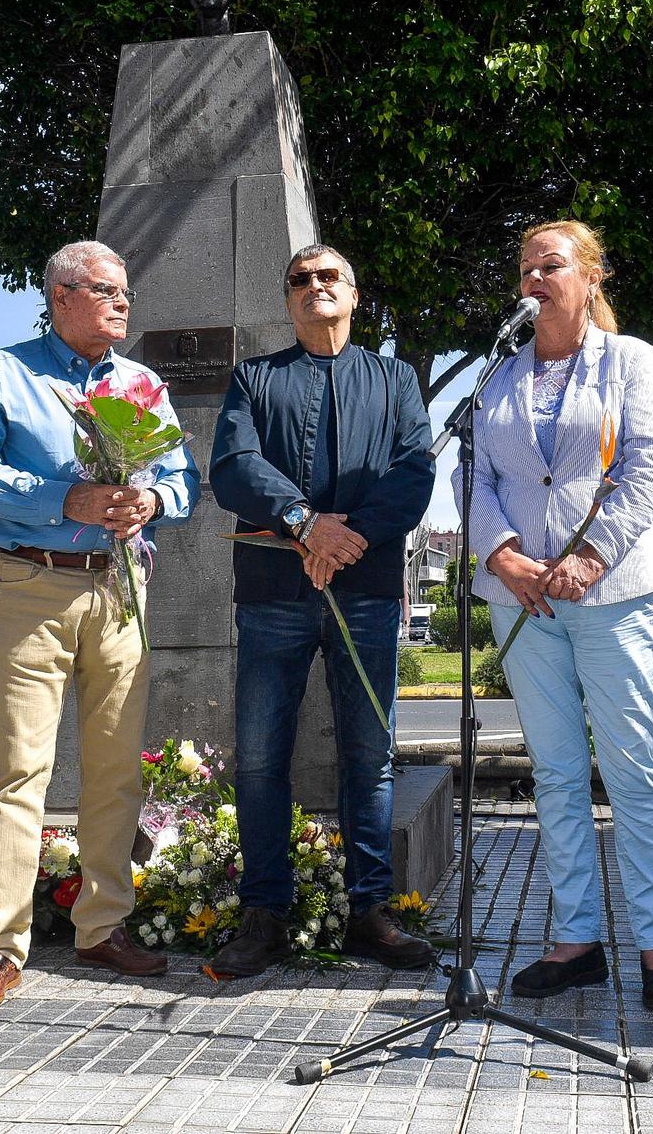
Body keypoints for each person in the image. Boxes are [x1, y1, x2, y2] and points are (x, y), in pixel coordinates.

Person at [0, 240, 200, 1010]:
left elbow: (182, 476)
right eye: (105, 290)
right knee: (19, 767)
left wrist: (151, 502)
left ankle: (102, 926)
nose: (123, 303)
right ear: (60, 295)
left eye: (126, 291)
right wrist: (66, 498)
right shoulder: (3, 373)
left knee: (117, 766)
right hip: (34, 584)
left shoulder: (142, 384)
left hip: (121, 589)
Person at [456, 219, 653, 1012]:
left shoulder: (631, 361)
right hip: (523, 596)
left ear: (591, 276)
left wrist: (591, 554)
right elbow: (476, 473)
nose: (533, 278)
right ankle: (577, 939)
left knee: (629, 770)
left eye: (549, 265)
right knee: (556, 771)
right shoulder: (496, 377)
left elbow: (650, 461)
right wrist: (501, 554)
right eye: (524, 267)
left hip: (614, 589)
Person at [207, 245, 438, 977]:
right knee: (260, 761)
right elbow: (235, 466)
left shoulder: (396, 378)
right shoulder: (255, 377)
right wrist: (307, 523)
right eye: (300, 281)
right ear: (287, 301)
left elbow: (414, 470)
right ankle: (264, 913)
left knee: (370, 759)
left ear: (355, 293)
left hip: (364, 592)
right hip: (274, 594)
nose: (314, 287)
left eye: (328, 276)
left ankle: (370, 911)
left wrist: (348, 538)